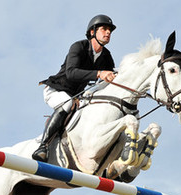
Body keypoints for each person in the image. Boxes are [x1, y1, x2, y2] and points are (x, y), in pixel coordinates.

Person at [32, 14, 117, 162]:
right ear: (92, 32)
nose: (108, 32)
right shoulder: (78, 46)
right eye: (104, 29)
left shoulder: (107, 57)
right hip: (56, 89)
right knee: (67, 104)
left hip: (76, 96)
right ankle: (43, 146)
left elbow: (109, 79)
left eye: (110, 30)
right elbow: (71, 73)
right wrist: (99, 73)